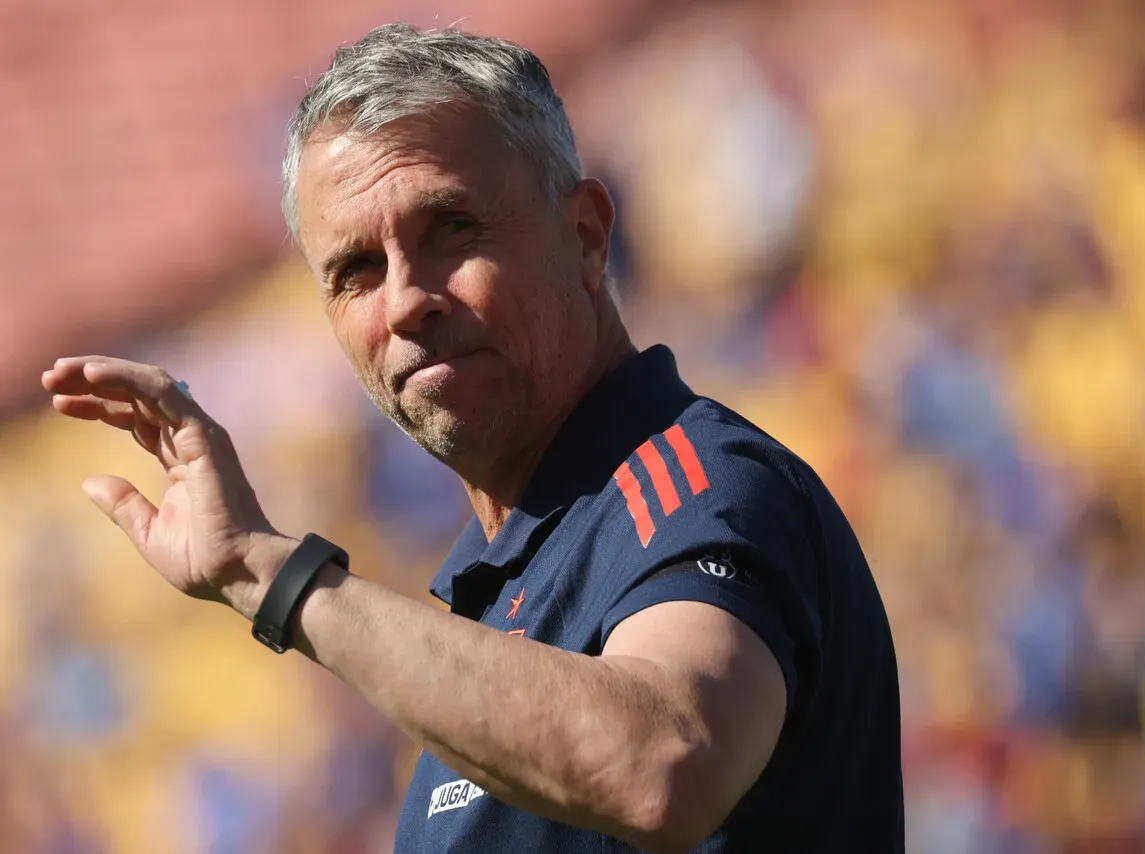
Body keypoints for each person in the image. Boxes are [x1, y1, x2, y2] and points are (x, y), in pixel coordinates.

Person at [40, 24, 903, 853]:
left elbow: (663, 763)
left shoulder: (700, 483)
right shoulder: (490, 602)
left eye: (451, 229)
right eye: (357, 271)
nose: (406, 301)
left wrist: (270, 575)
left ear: (586, 236)